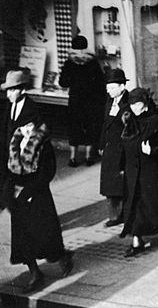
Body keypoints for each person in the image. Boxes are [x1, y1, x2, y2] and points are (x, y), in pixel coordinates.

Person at [2, 69, 74, 292]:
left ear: (22, 90)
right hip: (15, 181)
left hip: (35, 186)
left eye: (13, 90)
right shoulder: (9, 109)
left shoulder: (33, 114)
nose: (9, 94)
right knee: (22, 231)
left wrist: (35, 186)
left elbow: (47, 164)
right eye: (8, 90)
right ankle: (34, 271)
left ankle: (61, 256)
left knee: (45, 229)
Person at [121, 88, 158, 257]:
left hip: (151, 171)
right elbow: (123, 145)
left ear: (145, 104)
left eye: (138, 104)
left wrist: (152, 151)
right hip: (133, 171)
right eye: (131, 104)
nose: (134, 108)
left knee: (156, 202)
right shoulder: (128, 121)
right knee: (134, 205)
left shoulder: (155, 121)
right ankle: (136, 241)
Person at [58, 35, 106, 167]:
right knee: (90, 126)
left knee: (74, 127)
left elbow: (63, 82)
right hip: (91, 101)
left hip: (75, 101)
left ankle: (73, 158)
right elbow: (101, 82)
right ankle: (88, 156)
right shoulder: (93, 62)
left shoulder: (68, 63)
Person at [99, 68, 130, 227]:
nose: (109, 91)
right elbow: (105, 124)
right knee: (110, 184)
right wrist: (101, 143)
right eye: (107, 88)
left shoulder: (129, 102)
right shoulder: (110, 100)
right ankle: (114, 215)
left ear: (122, 86)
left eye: (112, 88)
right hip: (110, 148)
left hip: (123, 148)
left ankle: (124, 214)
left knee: (122, 183)